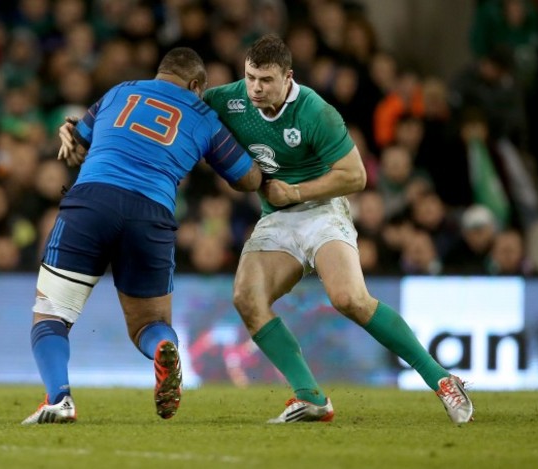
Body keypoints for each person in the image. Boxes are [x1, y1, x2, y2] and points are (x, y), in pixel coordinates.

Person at [201, 34, 474, 424]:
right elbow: (181, 111)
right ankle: (310, 397)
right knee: (247, 298)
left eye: (266, 80)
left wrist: (295, 190)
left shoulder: (315, 111)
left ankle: (443, 379)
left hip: (322, 211)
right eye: (250, 78)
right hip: (276, 219)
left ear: (288, 77)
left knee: (349, 298)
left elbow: (356, 176)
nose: (255, 88)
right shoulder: (229, 98)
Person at [22, 47, 262, 425]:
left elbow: (76, 142)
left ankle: (59, 399)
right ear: (196, 85)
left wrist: (68, 134)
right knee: (148, 324)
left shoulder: (119, 92)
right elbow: (248, 179)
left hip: (92, 203)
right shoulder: (204, 117)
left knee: (51, 314)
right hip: (151, 215)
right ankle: (165, 347)